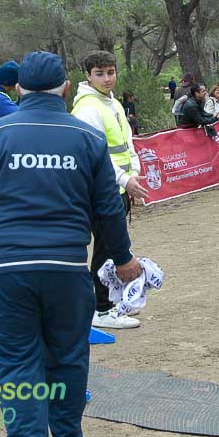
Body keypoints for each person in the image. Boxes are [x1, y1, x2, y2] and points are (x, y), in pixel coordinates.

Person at [0, 51, 142, 437]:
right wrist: (123, 257)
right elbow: (108, 208)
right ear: (66, 88)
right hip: (66, 268)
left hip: (7, 271)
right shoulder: (87, 138)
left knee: (16, 364)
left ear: (19, 88)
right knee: (68, 357)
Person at [70, 50, 148, 331]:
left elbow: (127, 144)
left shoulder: (112, 103)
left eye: (110, 72)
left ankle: (108, 303)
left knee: (112, 247)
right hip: (100, 192)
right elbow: (95, 156)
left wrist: (132, 175)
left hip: (118, 188)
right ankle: (101, 308)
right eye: (99, 73)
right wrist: (125, 180)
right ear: (88, 76)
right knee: (107, 249)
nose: (106, 78)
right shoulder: (87, 109)